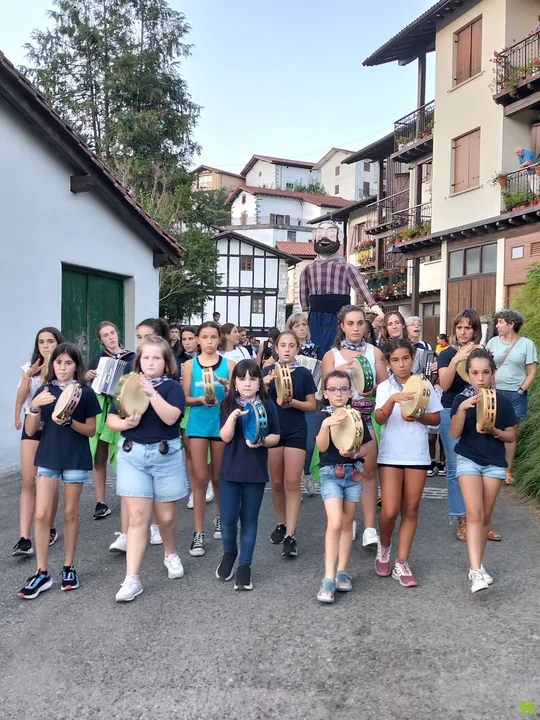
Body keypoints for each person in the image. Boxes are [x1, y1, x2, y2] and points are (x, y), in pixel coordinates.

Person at [107, 335, 188, 602]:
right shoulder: (127, 384)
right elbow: (110, 420)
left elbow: (171, 417)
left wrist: (152, 393)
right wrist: (125, 424)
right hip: (133, 455)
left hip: (166, 455)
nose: (151, 362)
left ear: (166, 362)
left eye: (156, 358)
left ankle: (170, 553)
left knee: (166, 517)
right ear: (139, 361)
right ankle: (132, 579)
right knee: (137, 519)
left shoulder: (172, 388)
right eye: (146, 357)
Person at [17, 343, 101, 599]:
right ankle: (42, 571)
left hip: (75, 457)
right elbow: (31, 430)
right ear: (52, 365)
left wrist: (69, 421)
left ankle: (69, 567)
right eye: (58, 363)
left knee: (70, 513)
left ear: (76, 366)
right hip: (49, 455)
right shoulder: (44, 390)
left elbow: (91, 430)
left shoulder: (85, 392)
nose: (63, 368)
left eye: (68, 363)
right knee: (42, 514)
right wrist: (33, 406)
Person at [374, 339, 442, 587]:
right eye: (395, 360)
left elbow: (436, 418)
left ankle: (401, 562)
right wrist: (393, 400)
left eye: (405, 358)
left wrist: (418, 415)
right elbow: (379, 419)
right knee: (390, 510)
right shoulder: (385, 387)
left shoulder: (424, 385)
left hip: (417, 454)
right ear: (388, 363)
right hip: (391, 455)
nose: (401, 364)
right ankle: (384, 547)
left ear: (412, 359)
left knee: (411, 509)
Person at [450, 349, 517, 593]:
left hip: (494, 462)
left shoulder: (503, 401)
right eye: (475, 373)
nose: (480, 378)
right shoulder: (461, 399)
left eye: (485, 372)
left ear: (492, 373)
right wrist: (463, 409)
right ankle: (476, 570)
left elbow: (511, 435)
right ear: (468, 374)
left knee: (486, 517)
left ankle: (477, 565)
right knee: (475, 514)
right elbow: (454, 433)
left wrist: (494, 431)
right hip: (468, 459)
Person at [321, 305, 387, 548]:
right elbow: (325, 388)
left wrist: (372, 389)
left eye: (360, 323)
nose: (356, 328)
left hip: (366, 415)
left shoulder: (374, 352)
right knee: (341, 470)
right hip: (339, 419)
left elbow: (385, 385)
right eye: (350, 323)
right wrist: (339, 372)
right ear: (342, 326)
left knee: (368, 470)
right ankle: (349, 521)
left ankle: (370, 527)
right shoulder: (332, 355)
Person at [109, 317, 173, 552]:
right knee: (130, 487)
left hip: (158, 436)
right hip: (131, 433)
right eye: (139, 337)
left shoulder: (166, 371)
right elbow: (119, 398)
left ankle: (155, 525)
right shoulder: (130, 365)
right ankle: (126, 533)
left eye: (147, 337)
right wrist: (124, 420)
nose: (142, 341)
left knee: (156, 485)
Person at [437, 309, 501, 542]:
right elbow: (444, 385)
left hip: (482, 410)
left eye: (468, 327)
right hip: (451, 411)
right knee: (456, 467)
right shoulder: (446, 354)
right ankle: (463, 519)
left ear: (475, 330)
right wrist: (456, 359)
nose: (463, 332)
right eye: (459, 327)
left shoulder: (483, 353)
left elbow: (492, 385)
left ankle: (482, 521)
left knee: (484, 465)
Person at [217, 360, 280, 591]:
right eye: (242, 378)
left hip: (255, 472)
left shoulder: (267, 405)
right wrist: (233, 418)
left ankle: (245, 566)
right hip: (230, 471)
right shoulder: (227, 404)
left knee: (249, 521)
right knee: (227, 519)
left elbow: (276, 436)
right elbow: (225, 437)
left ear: (259, 382)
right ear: (234, 382)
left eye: (252, 379)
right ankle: (229, 552)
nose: (247, 383)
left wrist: (261, 441)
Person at [315, 371, 372, 603]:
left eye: (343, 389)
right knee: (335, 521)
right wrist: (326, 425)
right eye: (333, 389)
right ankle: (328, 577)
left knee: (348, 523)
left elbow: (366, 447)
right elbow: (321, 447)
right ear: (325, 393)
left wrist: (355, 453)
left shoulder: (355, 415)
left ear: (350, 392)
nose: (338, 394)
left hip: (353, 472)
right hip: (330, 473)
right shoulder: (322, 416)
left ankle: (342, 571)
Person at [183, 322, 234, 557]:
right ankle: (198, 532)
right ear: (198, 340)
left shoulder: (229, 365)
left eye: (214, 337)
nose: (209, 341)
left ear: (220, 339)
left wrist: (228, 388)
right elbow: (184, 398)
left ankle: (220, 518)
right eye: (205, 337)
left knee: (218, 477)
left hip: (220, 424)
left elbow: (237, 396)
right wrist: (199, 400)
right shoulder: (189, 365)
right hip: (198, 425)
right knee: (200, 478)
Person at [13, 327, 64, 557]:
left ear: (58, 343)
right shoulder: (29, 367)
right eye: (41, 342)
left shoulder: (62, 367)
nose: (45, 346)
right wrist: (29, 376)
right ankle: (24, 538)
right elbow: (22, 397)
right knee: (28, 481)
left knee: (49, 480)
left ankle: (49, 527)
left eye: (50, 341)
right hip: (32, 424)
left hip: (54, 426)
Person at [265, 331, 317, 558]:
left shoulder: (304, 373)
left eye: (291, 345)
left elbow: (312, 405)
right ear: (276, 348)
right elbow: (256, 400)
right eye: (283, 345)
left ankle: (291, 535)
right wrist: (264, 384)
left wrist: (292, 402)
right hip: (273, 432)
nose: (287, 349)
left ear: (298, 348)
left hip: (296, 431)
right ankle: (281, 522)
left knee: (292, 482)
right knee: (277, 483)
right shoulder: (268, 372)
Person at [299, 220, 382, 356]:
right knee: (315, 348)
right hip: (315, 316)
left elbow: (360, 286)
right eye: (320, 232)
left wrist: (372, 304)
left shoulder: (346, 267)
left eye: (330, 232)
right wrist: (304, 312)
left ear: (340, 236)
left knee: (339, 347)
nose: (324, 236)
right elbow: (303, 292)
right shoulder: (308, 269)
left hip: (339, 315)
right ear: (314, 236)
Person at [86, 321, 136, 520]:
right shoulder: (98, 358)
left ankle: (128, 497)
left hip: (120, 408)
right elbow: (87, 384)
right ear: (101, 340)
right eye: (105, 335)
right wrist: (87, 376)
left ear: (118, 334)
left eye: (112, 333)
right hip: (101, 408)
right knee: (99, 454)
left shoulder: (131, 357)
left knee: (121, 453)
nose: (110, 337)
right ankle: (101, 502)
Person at [486, 309, 537, 484]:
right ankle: (491, 466)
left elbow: (532, 371)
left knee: (511, 432)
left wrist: (522, 389)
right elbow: (485, 365)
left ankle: (507, 470)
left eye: (500, 322)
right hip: (494, 392)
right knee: (489, 426)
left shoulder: (527, 344)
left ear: (511, 324)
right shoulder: (492, 342)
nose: (497, 325)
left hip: (515, 393)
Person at [286, 311, 321, 496]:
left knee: (310, 444)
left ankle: (306, 472)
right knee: (290, 442)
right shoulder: (285, 349)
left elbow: (323, 372)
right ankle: (294, 480)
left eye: (304, 325)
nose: (301, 328)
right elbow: (268, 366)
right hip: (288, 402)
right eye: (297, 325)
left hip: (310, 400)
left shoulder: (316, 349)